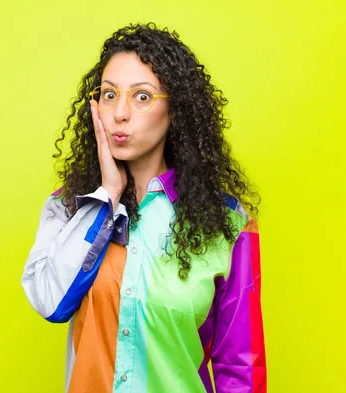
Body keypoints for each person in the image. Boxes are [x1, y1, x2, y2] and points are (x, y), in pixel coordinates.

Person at [21, 22, 266, 393]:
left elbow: (240, 367)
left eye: (142, 97)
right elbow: (49, 302)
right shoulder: (70, 206)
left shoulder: (228, 222)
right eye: (108, 95)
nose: (119, 113)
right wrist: (106, 197)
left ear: (176, 111)